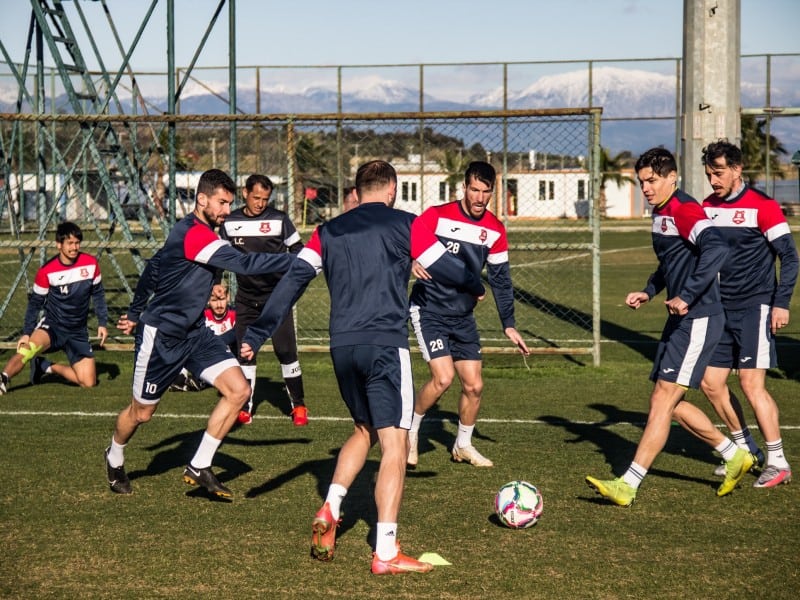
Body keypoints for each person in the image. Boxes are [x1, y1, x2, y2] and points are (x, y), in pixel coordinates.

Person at [239, 160, 485, 574]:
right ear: (391, 190)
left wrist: (256, 333)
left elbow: (292, 281)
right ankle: (386, 552)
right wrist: (476, 284)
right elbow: (452, 267)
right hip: (385, 346)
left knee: (363, 429)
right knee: (395, 443)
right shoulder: (406, 224)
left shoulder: (327, 232)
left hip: (342, 348)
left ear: (357, 191)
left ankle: (331, 507)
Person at [105, 168, 294, 497]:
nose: (225, 210)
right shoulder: (193, 234)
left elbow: (153, 266)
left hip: (195, 333)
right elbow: (246, 265)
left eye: (229, 203)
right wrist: (298, 261)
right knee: (142, 413)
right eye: (221, 203)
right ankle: (115, 454)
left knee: (238, 390)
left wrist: (134, 311)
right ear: (202, 198)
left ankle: (200, 464)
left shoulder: (203, 233)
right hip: (162, 336)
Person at [585, 147, 755, 506]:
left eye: (652, 180)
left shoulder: (683, 208)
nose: (645, 188)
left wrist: (688, 296)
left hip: (699, 317)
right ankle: (734, 453)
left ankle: (627, 485)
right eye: (642, 181)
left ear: (672, 177)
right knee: (670, 404)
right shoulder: (662, 213)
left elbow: (716, 249)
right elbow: (670, 262)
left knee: (664, 398)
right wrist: (649, 290)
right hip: (680, 317)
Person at [406, 160, 530, 469]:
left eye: (485, 191)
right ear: (464, 187)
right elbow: (403, 240)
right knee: (443, 378)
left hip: (463, 316)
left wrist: (508, 324)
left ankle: (462, 445)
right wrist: (409, 262)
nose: (479, 197)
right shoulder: (436, 215)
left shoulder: (495, 230)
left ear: (492, 192)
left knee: (474, 386)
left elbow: (500, 279)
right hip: (429, 310)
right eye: (474, 189)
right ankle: (411, 432)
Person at [700, 140, 798, 488]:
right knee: (710, 383)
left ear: (738, 169)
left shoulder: (763, 207)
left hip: (755, 306)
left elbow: (790, 256)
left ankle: (778, 461)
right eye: (709, 173)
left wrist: (781, 302)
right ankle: (747, 451)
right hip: (718, 308)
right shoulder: (706, 207)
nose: (713, 180)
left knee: (750, 383)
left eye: (719, 172)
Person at [219, 174, 308, 426]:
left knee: (286, 351)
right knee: (246, 354)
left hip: (277, 299)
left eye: (265, 199)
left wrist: (291, 282)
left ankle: (299, 405)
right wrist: (217, 281)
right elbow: (219, 256)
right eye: (256, 197)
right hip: (246, 299)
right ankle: (244, 408)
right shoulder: (230, 221)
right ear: (245, 193)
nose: (260, 203)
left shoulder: (279, 220)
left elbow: (299, 251)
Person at [0, 221, 108, 395]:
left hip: (78, 331)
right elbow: (35, 304)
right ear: (59, 244)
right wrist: (27, 332)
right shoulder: (47, 271)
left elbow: (98, 294)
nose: (75, 247)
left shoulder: (90, 264)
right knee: (27, 350)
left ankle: (44, 366)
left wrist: (102, 322)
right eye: (70, 243)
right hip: (53, 326)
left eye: (77, 243)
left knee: (89, 382)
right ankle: (3, 378)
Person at [170, 283, 236, 392]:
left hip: (225, 357)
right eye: (214, 301)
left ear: (228, 297)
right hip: (204, 355)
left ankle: (200, 381)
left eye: (222, 299)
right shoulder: (203, 316)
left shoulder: (234, 315)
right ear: (208, 300)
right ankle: (181, 377)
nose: (219, 305)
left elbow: (236, 335)